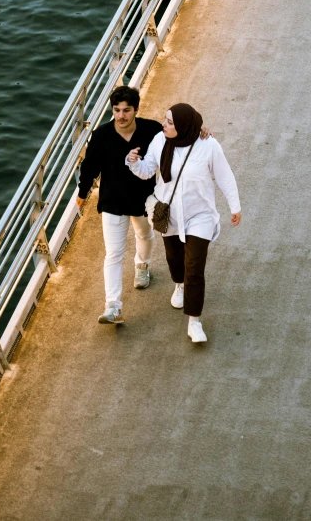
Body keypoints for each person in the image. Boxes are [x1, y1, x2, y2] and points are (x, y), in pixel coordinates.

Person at [127, 103, 241, 343]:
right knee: (174, 258)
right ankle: (179, 285)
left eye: (170, 122)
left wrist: (235, 206)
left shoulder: (208, 144)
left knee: (195, 267)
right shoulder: (160, 140)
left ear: (185, 126)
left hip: (200, 215)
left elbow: (224, 175)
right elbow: (148, 171)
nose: (164, 125)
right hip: (169, 213)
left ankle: (194, 322)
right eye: (165, 120)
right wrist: (134, 162)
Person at [76, 86, 162, 325]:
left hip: (144, 198)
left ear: (136, 109)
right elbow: (90, 166)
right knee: (113, 254)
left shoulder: (152, 130)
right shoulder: (102, 135)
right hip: (112, 201)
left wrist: (201, 132)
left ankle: (142, 265)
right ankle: (113, 306)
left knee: (144, 236)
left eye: (126, 110)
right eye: (117, 110)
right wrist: (83, 192)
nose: (121, 116)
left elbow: (178, 137)